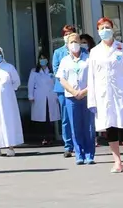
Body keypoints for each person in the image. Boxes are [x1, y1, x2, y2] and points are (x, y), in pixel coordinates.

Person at [87, 17, 123, 173]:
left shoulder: (122, 48)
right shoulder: (95, 51)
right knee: (109, 128)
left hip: (121, 94)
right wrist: (92, 101)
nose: (105, 31)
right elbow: (92, 77)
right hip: (103, 96)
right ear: (97, 31)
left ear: (113, 29)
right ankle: (117, 161)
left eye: (107, 27)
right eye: (101, 28)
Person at [57, 33, 95, 165]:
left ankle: (90, 154)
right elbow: (62, 79)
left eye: (76, 41)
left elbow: (95, 77)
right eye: (71, 42)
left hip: (87, 96)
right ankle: (79, 154)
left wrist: (84, 91)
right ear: (67, 45)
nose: (74, 44)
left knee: (89, 126)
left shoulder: (88, 58)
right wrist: (73, 91)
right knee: (75, 126)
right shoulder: (65, 60)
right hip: (71, 97)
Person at [51, 25, 79, 157]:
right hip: (63, 89)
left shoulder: (82, 51)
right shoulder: (58, 52)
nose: (68, 36)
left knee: (80, 117)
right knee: (66, 118)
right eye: (66, 34)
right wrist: (69, 85)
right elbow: (57, 70)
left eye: (71, 33)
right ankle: (68, 146)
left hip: (80, 89)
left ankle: (79, 143)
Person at [27, 52, 59, 146]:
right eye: (40, 58)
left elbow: (56, 84)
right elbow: (30, 84)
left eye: (44, 58)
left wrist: (57, 96)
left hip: (51, 97)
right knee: (41, 119)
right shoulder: (34, 71)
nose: (42, 60)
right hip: (39, 97)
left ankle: (51, 137)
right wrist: (30, 96)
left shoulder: (52, 71)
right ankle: (43, 138)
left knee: (50, 118)